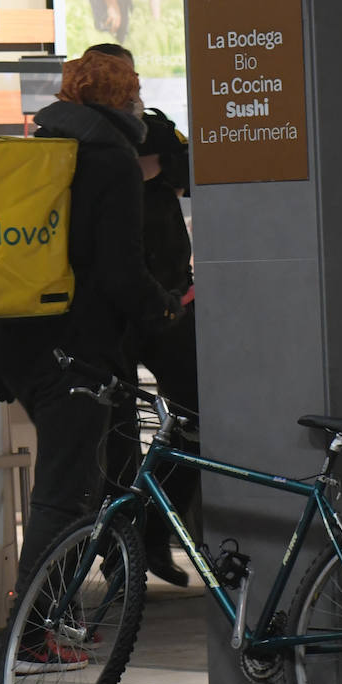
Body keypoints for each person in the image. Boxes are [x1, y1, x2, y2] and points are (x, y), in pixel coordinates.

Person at [0, 51, 182, 664]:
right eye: (136, 92)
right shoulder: (110, 160)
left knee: (82, 484)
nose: (141, 103)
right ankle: (34, 632)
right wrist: (163, 308)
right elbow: (119, 269)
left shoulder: (44, 145)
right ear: (121, 98)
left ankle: (53, 614)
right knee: (63, 495)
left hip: (24, 343)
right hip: (75, 352)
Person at [85, 44, 200, 587]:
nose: (133, 92)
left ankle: (154, 531)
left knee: (199, 417)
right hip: (114, 310)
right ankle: (120, 552)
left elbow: (189, 167)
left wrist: (158, 168)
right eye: (124, 83)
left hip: (170, 301)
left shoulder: (156, 128)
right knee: (118, 434)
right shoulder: (84, 138)